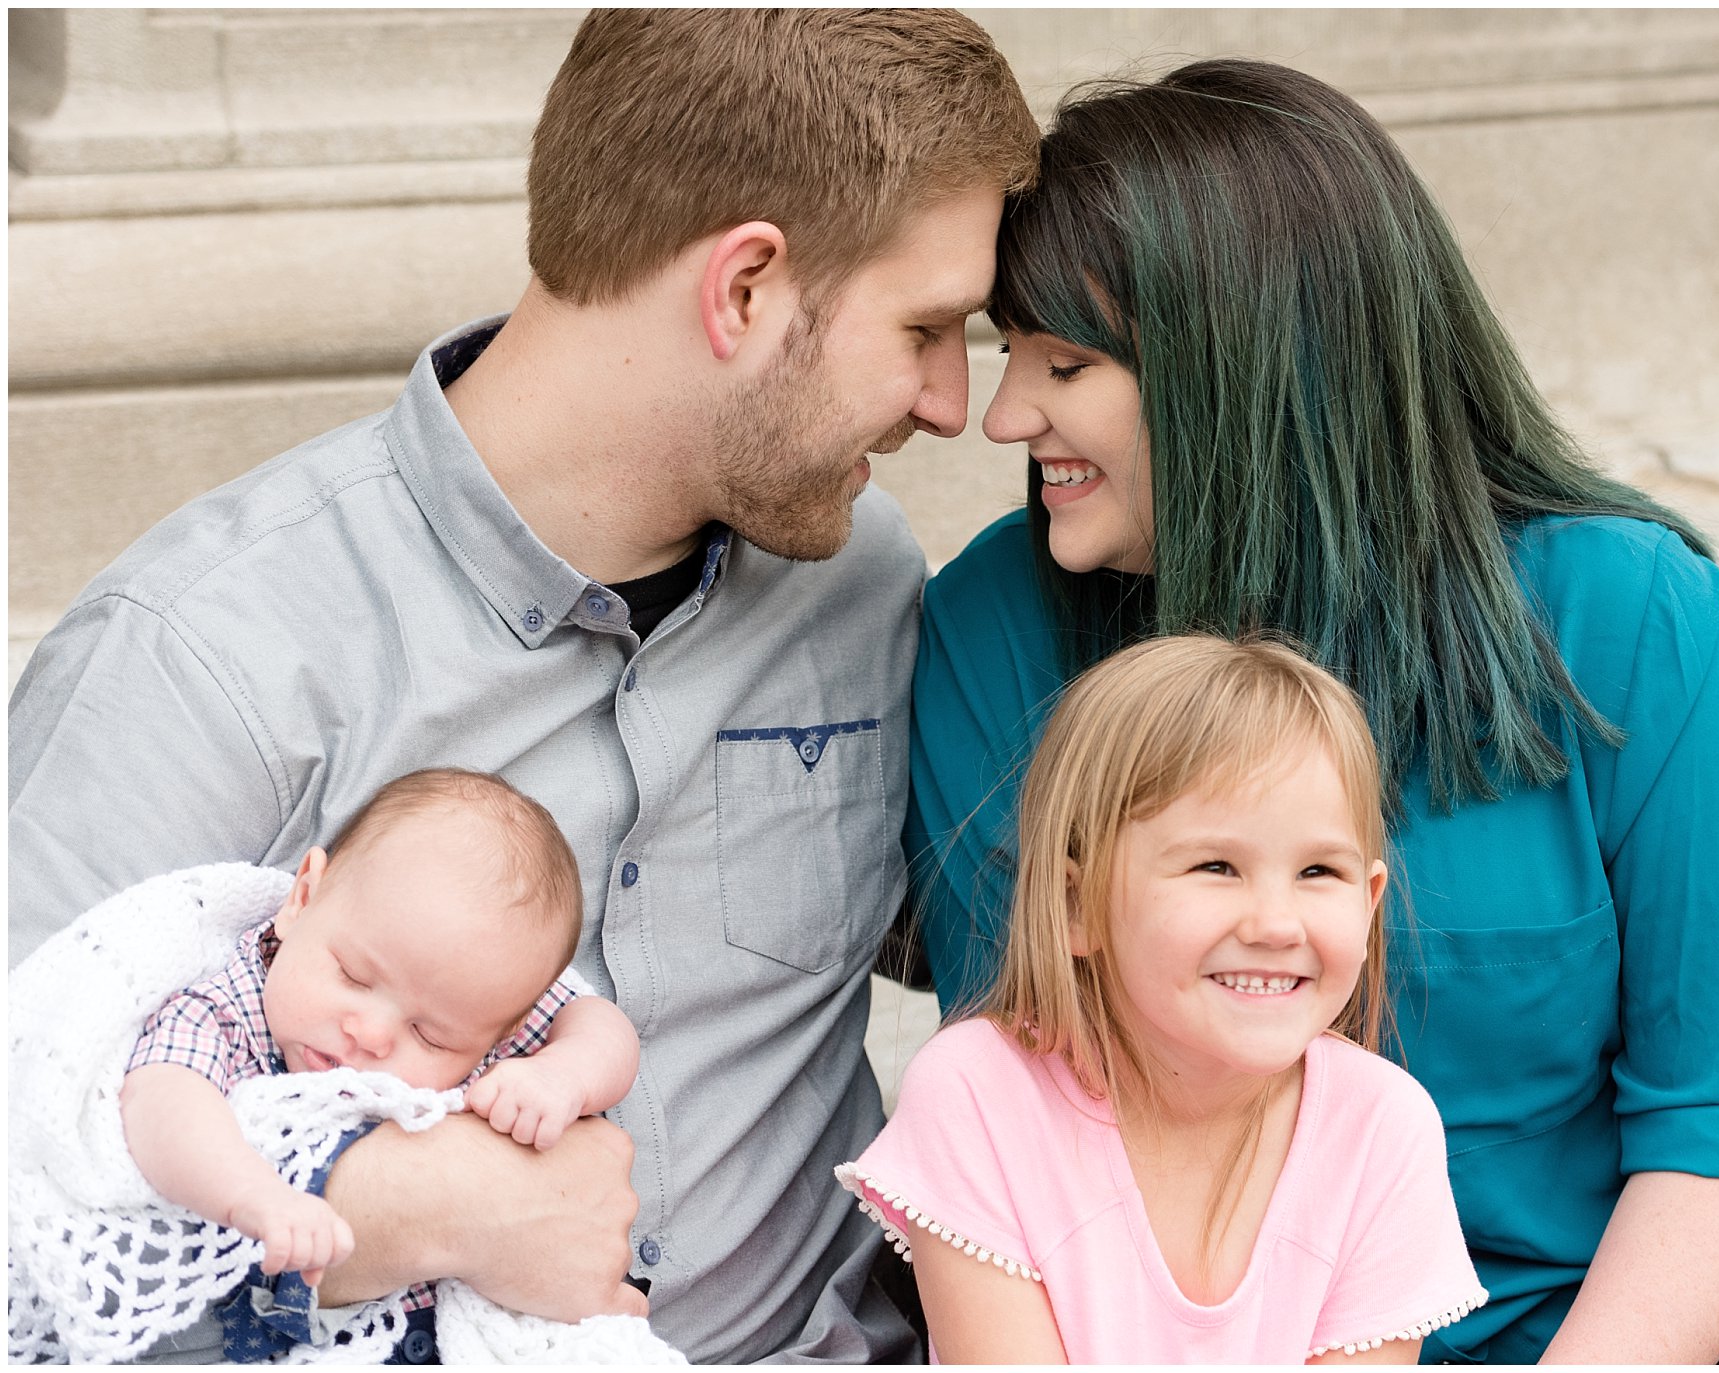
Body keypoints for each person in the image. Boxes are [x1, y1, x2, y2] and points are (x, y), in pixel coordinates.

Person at [907, 59, 1719, 1363]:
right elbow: (1049, 1128)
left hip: (1645, 1288)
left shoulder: (1626, 616)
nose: (1003, 413)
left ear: (1246, 368)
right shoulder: (994, 635)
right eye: (1008, 352)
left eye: (1066, 362)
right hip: (1238, 1317)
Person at [9, 9, 1039, 1362]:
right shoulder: (199, 654)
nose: (952, 403)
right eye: (927, 327)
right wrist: (409, 1216)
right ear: (743, 289)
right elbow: (22, 1181)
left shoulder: (861, 584)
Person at [848, 636, 1485, 1363]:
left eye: (1318, 870)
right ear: (1075, 904)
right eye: (1216, 865)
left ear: (1368, 905)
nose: (1277, 924)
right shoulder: (979, 1094)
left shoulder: (1382, 1129)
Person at [120, 768, 639, 1353]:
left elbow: (602, 1025)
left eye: (429, 1035)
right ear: (304, 898)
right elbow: (161, 1100)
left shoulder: (481, 1013)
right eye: (354, 976)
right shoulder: (226, 1011)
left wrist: (563, 1074)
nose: (369, 1035)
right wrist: (253, 1196)